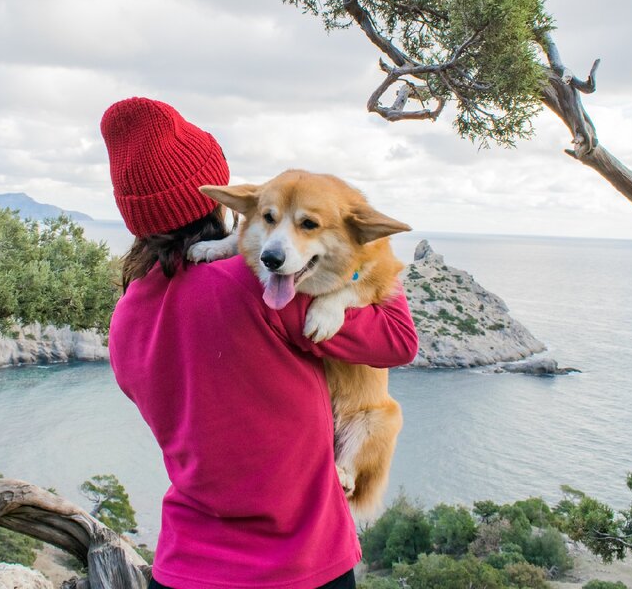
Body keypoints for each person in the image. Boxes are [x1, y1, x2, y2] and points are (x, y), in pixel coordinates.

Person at [100, 97, 417, 589]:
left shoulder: (123, 322)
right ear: (221, 198)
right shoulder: (261, 289)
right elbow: (398, 341)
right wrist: (369, 246)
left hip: (184, 567)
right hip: (300, 564)